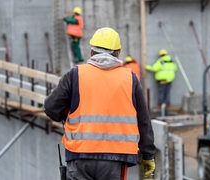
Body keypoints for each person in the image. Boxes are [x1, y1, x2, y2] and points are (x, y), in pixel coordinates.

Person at [44, 27, 155, 180]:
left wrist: (67, 113)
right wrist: (148, 154)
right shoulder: (130, 79)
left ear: (91, 52)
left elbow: (50, 108)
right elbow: (143, 121)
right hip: (115, 159)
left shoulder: (75, 75)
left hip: (79, 156)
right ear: (118, 52)